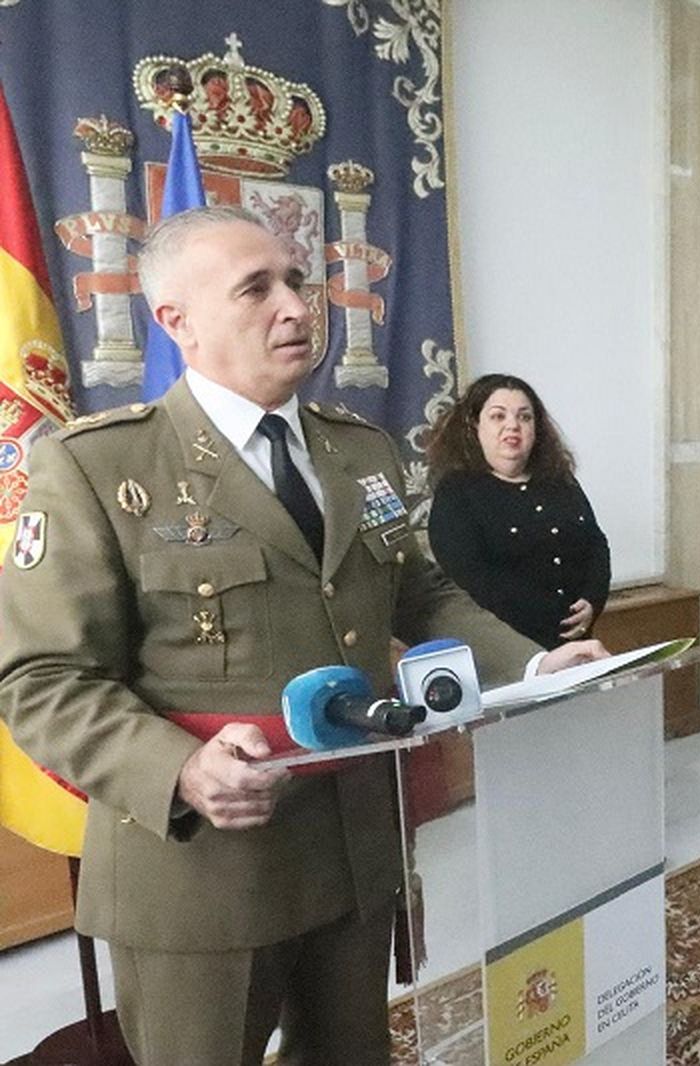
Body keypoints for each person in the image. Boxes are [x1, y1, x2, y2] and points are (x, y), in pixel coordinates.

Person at [0, 206, 606, 1065]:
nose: (296, 306)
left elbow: (420, 595)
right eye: (257, 289)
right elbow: (41, 679)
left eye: (296, 281)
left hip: (354, 846)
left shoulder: (359, 451)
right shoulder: (101, 467)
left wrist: (540, 662)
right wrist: (175, 767)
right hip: (205, 866)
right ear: (177, 322)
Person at [427, 374, 611, 649]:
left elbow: (595, 544)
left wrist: (592, 600)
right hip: (506, 652)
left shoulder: (559, 481)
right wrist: (546, 620)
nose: (513, 425)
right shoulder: (456, 493)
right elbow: (471, 580)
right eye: (498, 416)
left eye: (525, 417)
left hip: (575, 643)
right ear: (475, 425)